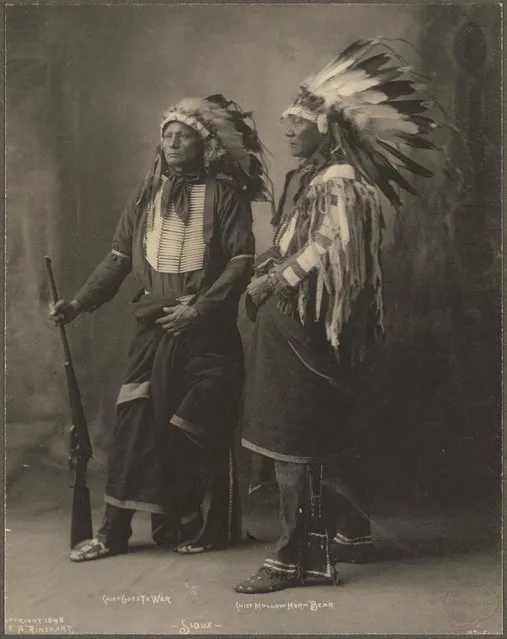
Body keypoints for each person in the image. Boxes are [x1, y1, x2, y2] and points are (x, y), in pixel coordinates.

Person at [234, 39, 440, 593]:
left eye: (298, 124)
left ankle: (292, 558)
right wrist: (260, 266)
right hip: (293, 323)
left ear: (326, 127)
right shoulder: (315, 181)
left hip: (310, 326)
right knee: (315, 429)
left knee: (295, 435)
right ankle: (349, 534)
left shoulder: (342, 181)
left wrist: (276, 279)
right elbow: (295, 240)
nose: (288, 132)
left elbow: (333, 246)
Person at [49, 95, 272, 561]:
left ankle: (195, 522)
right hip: (153, 329)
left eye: (183, 135)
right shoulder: (146, 194)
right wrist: (78, 304)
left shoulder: (226, 196)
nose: (172, 142)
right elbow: (117, 259)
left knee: (195, 425)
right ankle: (113, 533)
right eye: (167, 134)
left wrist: (201, 309)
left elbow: (240, 261)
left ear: (204, 143)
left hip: (207, 334)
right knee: (134, 424)